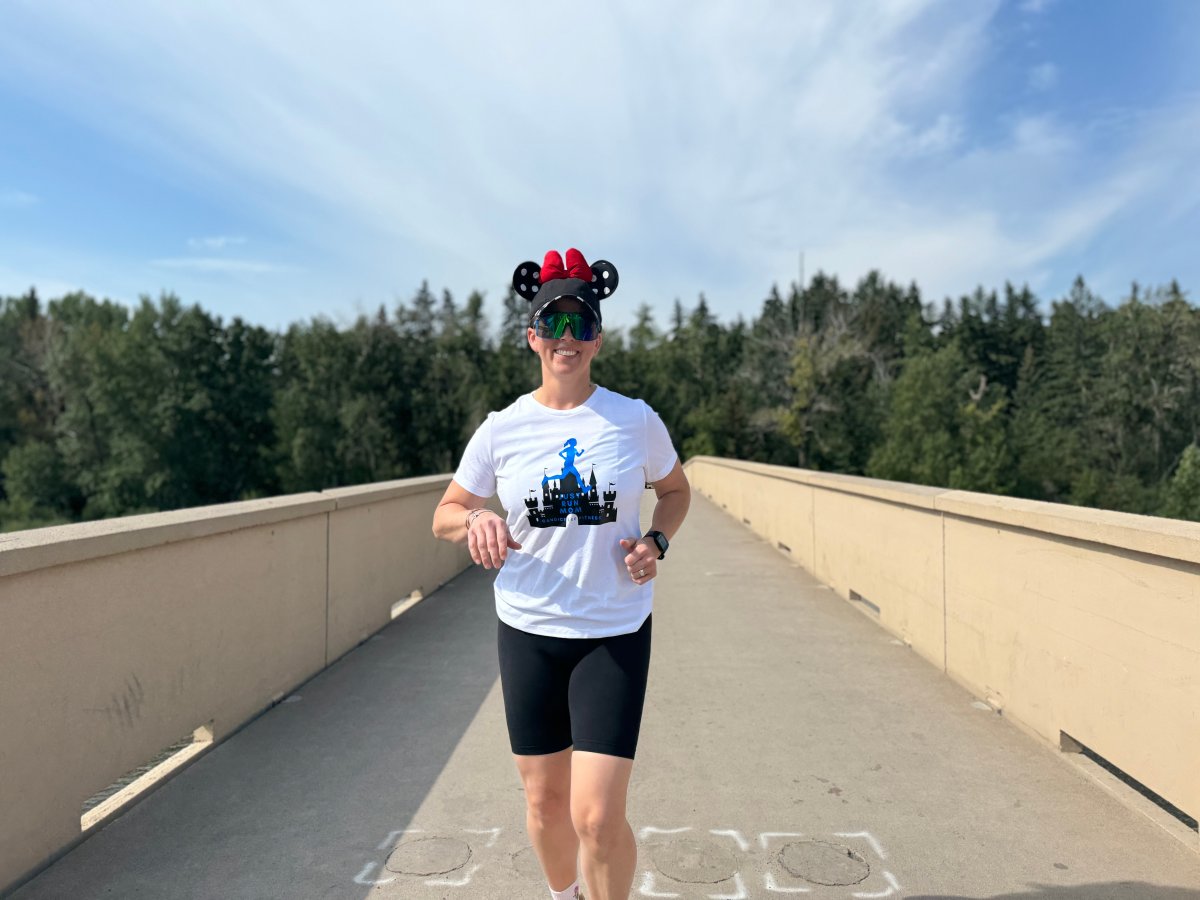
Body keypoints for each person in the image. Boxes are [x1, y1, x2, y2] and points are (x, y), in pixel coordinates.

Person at [432, 248, 691, 900]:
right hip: (529, 629)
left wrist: (657, 539)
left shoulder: (635, 419)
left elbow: (677, 490)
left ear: (598, 338)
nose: (566, 340)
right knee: (546, 807)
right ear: (532, 337)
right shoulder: (503, 430)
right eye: (553, 325)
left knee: (598, 817)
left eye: (581, 325)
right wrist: (476, 522)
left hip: (614, 629)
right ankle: (563, 895)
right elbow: (446, 513)